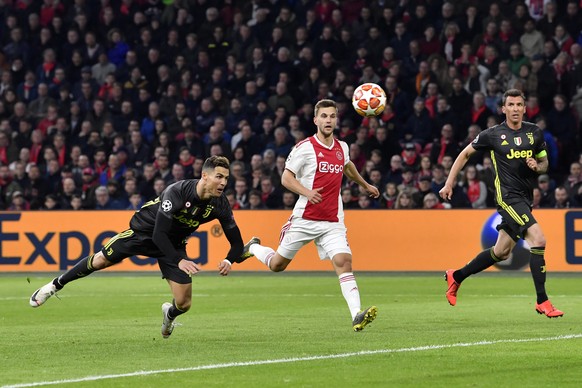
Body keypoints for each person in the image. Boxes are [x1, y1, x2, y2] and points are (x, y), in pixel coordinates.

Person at [29, 156, 248, 338]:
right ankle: (54, 286)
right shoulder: (178, 192)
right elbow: (158, 233)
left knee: (184, 303)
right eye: (219, 177)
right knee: (100, 260)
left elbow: (236, 241)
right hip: (143, 233)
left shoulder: (219, 203)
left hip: (173, 244)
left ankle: (168, 315)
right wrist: (179, 260)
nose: (223, 183)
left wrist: (229, 259)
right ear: (205, 176)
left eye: (226, 178)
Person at [240, 99, 380, 331]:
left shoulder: (341, 147)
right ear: (315, 120)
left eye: (332, 116)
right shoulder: (304, 148)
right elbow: (286, 178)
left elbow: (347, 166)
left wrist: (365, 185)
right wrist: (307, 192)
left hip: (333, 221)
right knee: (277, 265)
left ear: (336, 120)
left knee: (344, 262)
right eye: (324, 116)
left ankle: (356, 314)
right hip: (304, 220)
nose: (328, 120)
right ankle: (253, 247)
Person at [439, 89, 563, 318]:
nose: (515, 108)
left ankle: (456, 276)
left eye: (519, 105)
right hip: (507, 198)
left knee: (501, 252)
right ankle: (542, 301)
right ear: (503, 109)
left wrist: (537, 165)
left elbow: (545, 164)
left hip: (525, 198)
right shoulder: (493, 135)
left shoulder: (535, 133)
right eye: (511, 105)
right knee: (539, 239)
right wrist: (449, 183)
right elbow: (464, 154)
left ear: (525, 108)